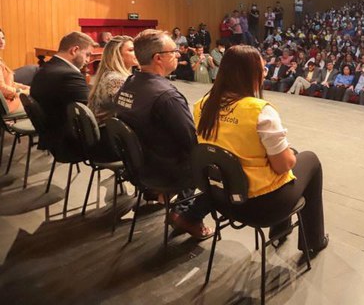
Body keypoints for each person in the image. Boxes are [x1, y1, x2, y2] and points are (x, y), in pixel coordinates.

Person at [194, 45, 328, 259]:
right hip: (259, 205)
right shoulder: (260, 111)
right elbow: (283, 166)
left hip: (220, 198)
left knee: (289, 152)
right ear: (251, 74)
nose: (264, 74)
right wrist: (290, 157)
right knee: (309, 160)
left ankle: (280, 231)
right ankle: (313, 241)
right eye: (263, 70)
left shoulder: (202, 105)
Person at [114, 29, 212, 240]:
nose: (177, 55)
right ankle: (185, 214)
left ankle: (164, 197)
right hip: (164, 171)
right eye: (173, 51)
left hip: (137, 165)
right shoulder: (167, 96)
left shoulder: (128, 84)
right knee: (210, 161)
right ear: (158, 58)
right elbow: (190, 142)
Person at [30, 31, 96, 155]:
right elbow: (91, 109)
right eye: (87, 54)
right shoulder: (69, 75)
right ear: (74, 50)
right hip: (69, 142)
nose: (88, 60)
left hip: (52, 136)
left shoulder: (45, 68)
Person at [88, 35, 138, 124]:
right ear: (118, 55)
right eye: (131, 50)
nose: (137, 53)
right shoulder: (117, 80)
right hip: (109, 133)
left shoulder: (108, 74)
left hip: (107, 129)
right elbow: (129, 112)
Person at [0, 28, 30, 114]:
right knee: (39, 103)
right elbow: (2, 88)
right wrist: (20, 92)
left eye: (3, 38)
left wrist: (24, 87)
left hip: (10, 99)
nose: (1, 42)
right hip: (8, 105)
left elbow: (9, 83)